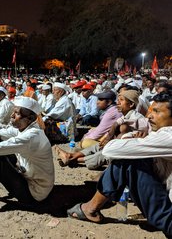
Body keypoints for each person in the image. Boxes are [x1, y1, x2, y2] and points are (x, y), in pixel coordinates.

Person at [67, 92, 172, 237]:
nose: (149, 116)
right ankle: (91, 208)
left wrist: (126, 138)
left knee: (126, 159)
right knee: (130, 156)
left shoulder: (169, 135)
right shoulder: (160, 132)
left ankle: (90, 208)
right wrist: (130, 137)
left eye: (157, 111)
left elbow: (111, 149)